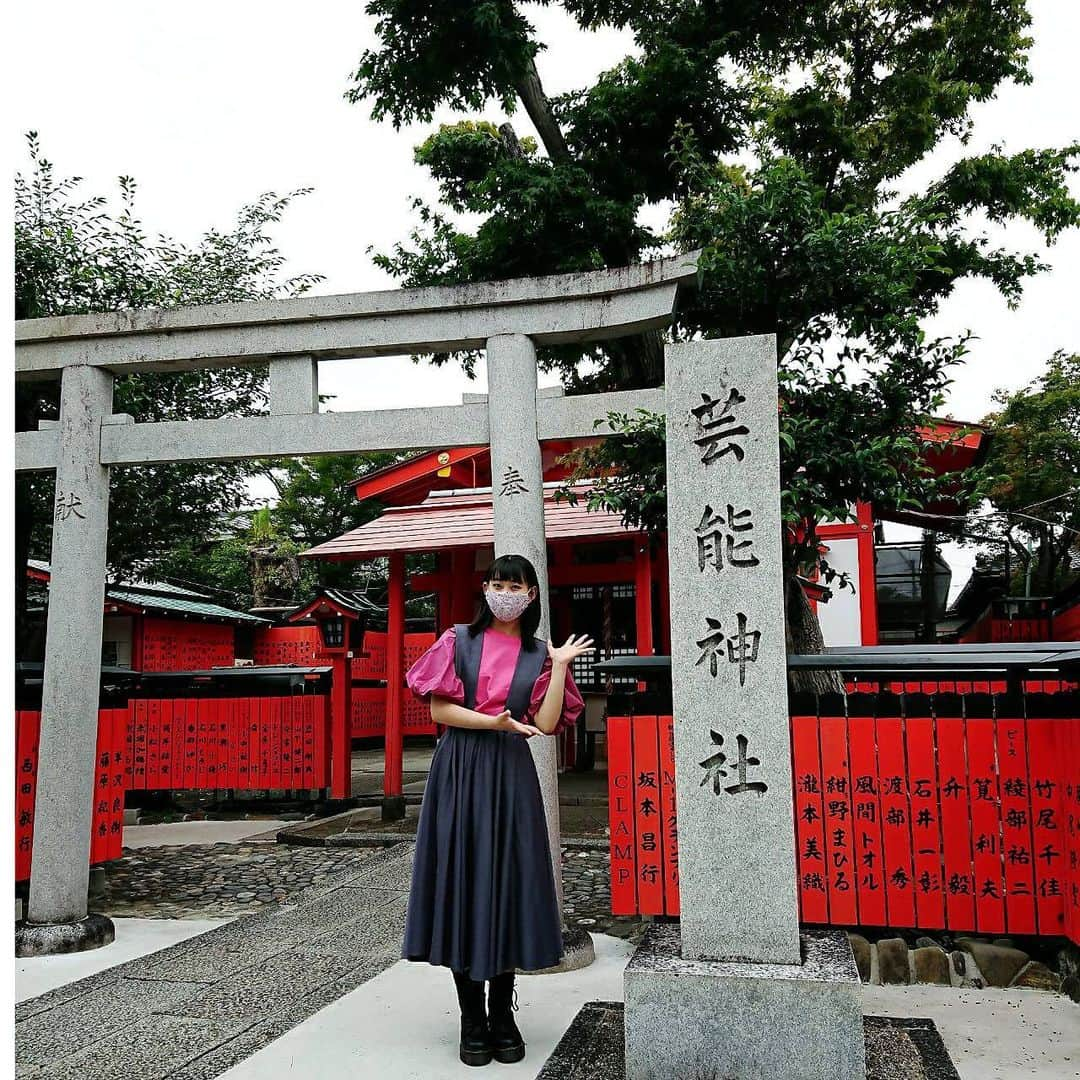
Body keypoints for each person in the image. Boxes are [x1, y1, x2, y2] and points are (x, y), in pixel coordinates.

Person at [401, 553, 593, 1067]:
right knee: (463, 882)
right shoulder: (456, 640)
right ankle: (472, 1018)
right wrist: (495, 724)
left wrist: (561, 667)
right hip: (460, 771)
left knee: (508, 882)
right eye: (498, 582)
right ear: (485, 588)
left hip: (510, 777)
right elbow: (440, 709)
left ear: (532, 596)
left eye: (516, 585)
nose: (505, 592)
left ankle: (503, 1014)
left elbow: (550, 723)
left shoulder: (538, 654)